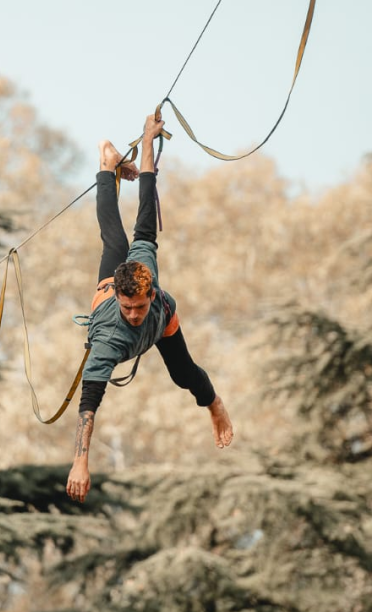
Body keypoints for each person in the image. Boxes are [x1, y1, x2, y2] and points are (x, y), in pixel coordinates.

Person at [66, 113, 234, 503]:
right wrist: (80, 461)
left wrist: (147, 143)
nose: (134, 313)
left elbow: (147, 206)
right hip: (113, 305)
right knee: (113, 242)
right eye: (130, 307)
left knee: (183, 373)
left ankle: (216, 405)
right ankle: (106, 165)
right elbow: (88, 404)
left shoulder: (150, 284)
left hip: (165, 324)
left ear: (149, 292)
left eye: (138, 306)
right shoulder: (110, 333)